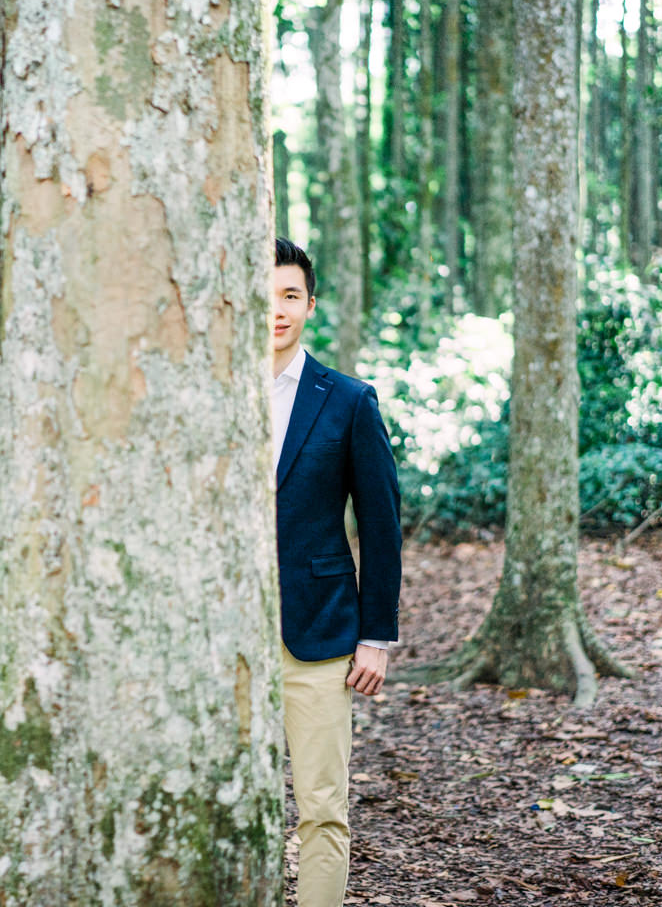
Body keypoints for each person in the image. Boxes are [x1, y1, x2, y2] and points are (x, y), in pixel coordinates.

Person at [271, 238, 401, 907]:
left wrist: (376, 635)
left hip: (318, 633)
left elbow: (380, 524)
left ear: (310, 305)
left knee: (322, 803)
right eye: (265, 294)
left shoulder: (348, 400)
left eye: (290, 295)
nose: (277, 308)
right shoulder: (202, 396)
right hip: (222, 636)